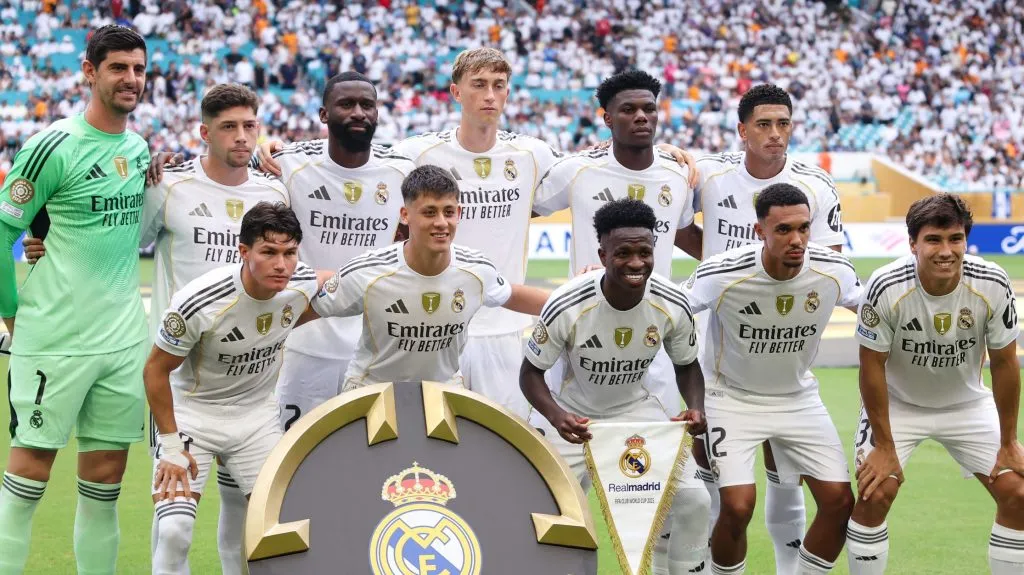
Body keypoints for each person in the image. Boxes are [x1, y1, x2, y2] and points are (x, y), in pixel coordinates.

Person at [256, 48, 698, 418]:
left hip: (503, 328)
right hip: (430, 330)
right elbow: (363, 164)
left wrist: (661, 149)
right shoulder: (416, 153)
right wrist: (271, 150)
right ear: (456, 92)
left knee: (500, 452)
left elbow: (605, 159)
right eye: (479, 84)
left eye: (498, 85)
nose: (489, 94)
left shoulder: (533, 154)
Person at [23, 83, 289, 575]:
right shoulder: (168, 185)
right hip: (179, 385)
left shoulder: (274, 190)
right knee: (175, 528)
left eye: (249, 126)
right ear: (204, 132)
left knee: (251, 518)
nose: (241, 136)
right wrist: (46, 242)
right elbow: (113, 237)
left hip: (251, 385)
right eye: (228, 127)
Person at [0, 25, 150, 575]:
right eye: (118, 67)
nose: (131, 78)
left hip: (122, 342)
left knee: (106, 483)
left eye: (138, 68)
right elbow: (3, 229)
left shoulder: (139, 149)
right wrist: (12, 315)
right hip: (55, 339)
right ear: (89, 72)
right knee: (28, 478)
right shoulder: (52, 145)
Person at [679, 84, 846, 573]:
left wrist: (773, 271)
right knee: (726, 492)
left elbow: (829, 262)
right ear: (742, 130)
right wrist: (733, 271)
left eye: (783, 124)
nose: (775, 134)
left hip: (785, 339)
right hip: (720, 332)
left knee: (784, 472)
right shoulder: (709, 174)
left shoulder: (816, 185)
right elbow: (677, 225)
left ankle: (787, 566)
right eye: (764, 124)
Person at [520, 198, 710, 574]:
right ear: (603, 255)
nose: (636, 263)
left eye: (644, 252)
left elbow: (687, 365)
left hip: (634, 410)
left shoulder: (672, 302)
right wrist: (557, 416)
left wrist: (695, 406)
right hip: (572, 415)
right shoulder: (567, 303)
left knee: (695, 500)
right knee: (544, 509)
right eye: (623, 253)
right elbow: (530, 374)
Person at [145, 202, 327, 574]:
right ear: (243, 251)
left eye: (290, 253)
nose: (282, 265)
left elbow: (334, 282)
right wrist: (171, 446)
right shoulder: (199, 302)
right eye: (269, 252)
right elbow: (155, 372)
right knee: (175, 530)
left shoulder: (301, 283)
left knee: (275, 525)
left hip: (256, 419)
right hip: (193, 417)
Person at [849, 194, 1024, 575]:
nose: (946, 251)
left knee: (1019, 493)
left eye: (955, 239)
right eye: (933, 240)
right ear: (913, 243)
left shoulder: (992, 281)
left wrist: (1009, 442)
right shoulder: (885, 285)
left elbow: (1005, 362)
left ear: (966, 241)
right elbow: (871, 366)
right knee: (875, 493)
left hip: (966, 405)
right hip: (897, 405)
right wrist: (885, 446)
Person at [533, 68, 700, 415]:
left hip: (653, 326)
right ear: (607, 118)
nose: (641, 116)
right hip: (584, 325)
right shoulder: (577, 169)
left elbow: (684, 234)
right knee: (574, 438)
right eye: (628, 109)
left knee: (655, 440)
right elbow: (522, 209)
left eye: (649, 108)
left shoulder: (678, 173)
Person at [305, 164, 549, 387]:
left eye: (449, 212)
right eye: (430, 213)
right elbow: (310, 308)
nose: (441, 222)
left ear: (459, 213)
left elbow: (511, 295)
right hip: (371, 391)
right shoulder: (369, 271)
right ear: (405, 215)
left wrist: (569, 305)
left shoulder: (477, 270)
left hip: (443, 390)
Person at [265, 71, 415, 431]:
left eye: (367, 105)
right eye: (346, 104)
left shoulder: (401, 172)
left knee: (369, 456)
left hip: (374, 350)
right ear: (323, 114)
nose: (358, 112)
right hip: (304, 346)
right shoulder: (289, 165)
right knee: (293, 455)